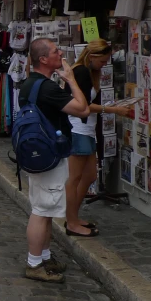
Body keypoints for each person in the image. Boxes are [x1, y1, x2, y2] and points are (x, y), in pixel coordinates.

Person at [19, 38, 89, 283]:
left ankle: (44, 257)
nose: (61, 53)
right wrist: (70, 78)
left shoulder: (29, 85)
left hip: (39, 154)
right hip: (49, 155)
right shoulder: (48, 89)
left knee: (46, 209)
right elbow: (83, 109)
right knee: (41, 210)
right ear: (43, 59)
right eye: (56, 51)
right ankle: (34, 263)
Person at [64, 39, 132, 237]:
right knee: (75, 178)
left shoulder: (87, 72)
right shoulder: (82, 72)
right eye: (102, 61)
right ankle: (71, 222)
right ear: (92, 57)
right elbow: (83, 106)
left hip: (86, 129)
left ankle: (73, 218)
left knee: (90, 176)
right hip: (78, 128)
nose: (104, 65)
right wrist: (114, 109)